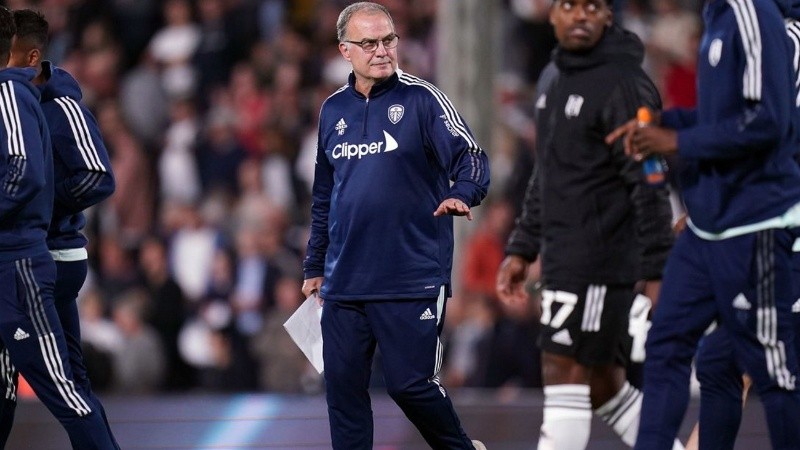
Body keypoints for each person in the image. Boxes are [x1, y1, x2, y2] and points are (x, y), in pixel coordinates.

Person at [606, 0, 800, 446]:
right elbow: (725, 122)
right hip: (718, 224)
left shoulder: (768, 25)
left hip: (765, 224)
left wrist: (676, 138)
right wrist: (666, 124)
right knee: (688, 352)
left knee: (771, 368)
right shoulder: (720, 16)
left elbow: (772, 124)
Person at [301, 3, 490, 449]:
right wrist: (314, 264)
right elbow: (325, 195)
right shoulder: (332, 111)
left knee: (411, 385)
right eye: (369, 43)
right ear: (345, 50)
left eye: (389, 40)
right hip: (344, 281)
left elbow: (471, 156)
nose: (382, 50)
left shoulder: (423, 99)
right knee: (343, 395)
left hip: (411, 276)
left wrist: (464, 192)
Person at [494, 0, 677, 448]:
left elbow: (650, 180)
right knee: (602, 386)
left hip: (602, 259)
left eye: (592, 6)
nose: (581, 15)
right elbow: (548, 171)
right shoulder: (553, 77)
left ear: (608, 16)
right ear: (551, 14)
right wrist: (522, 247)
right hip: (562, 256)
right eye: (570, 6)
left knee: (562, 370)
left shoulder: (625, 84)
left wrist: (657, 271)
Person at [0, 6, 117, 450]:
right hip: (30, 252)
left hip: (54, 254)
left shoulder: (61, 104)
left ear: (31, 59)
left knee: (66, 383)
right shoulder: (15, 98)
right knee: (60, 379)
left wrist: (43, 205)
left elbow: (98, 175)